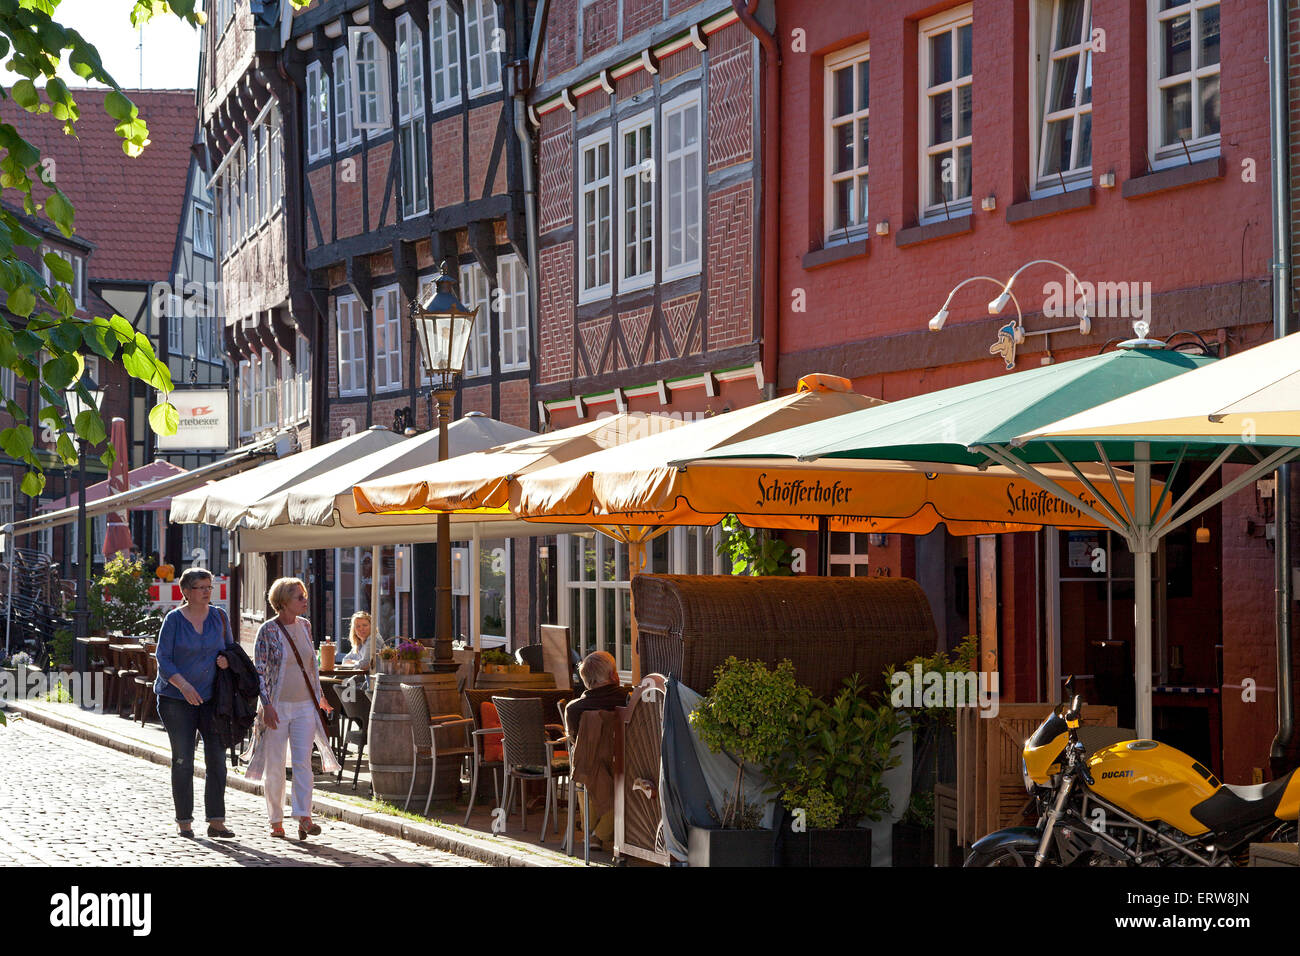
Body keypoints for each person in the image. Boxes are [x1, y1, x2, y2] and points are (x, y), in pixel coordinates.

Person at [245, 577, 340, 840]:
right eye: (299, 597)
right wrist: (266, 704)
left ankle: (304, 817)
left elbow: (310, 667)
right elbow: (260, 671)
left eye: (304, 595)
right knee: (275, 765)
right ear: (283, 602)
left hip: (304, 706)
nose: (305, 600)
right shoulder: (268, 631)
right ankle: (276, 819)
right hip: (277, 706)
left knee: (303, 763)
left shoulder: (306, 627)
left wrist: (318, 696)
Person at [153, 567, 235, 839]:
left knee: (217, 760)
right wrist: (184, 685)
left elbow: (231, 650)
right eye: (201, 587)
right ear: (185, 591)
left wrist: (226, 660)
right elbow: (163, 659)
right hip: (176, 698)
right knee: (183, 759)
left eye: (209, 587)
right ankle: (185, 820)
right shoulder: (174, 620)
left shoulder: (219, 617)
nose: (207, 592)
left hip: (212, 698)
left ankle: (216, 820)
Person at [563, 651, 628, 849]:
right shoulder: (629, 701)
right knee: (604, 771)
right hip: (625, 767)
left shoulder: (574, 709)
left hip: (590, 773)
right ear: (613, 676)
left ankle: (592, 832)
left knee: (586, 766)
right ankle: (600, 832)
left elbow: (576, 742)